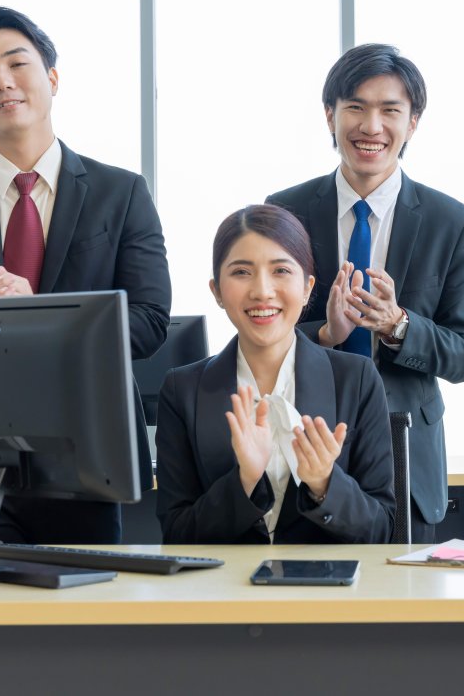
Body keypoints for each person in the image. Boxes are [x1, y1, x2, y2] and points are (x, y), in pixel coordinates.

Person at [0, 5, 171, 545]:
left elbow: (150, 322)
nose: (2, 82)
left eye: (17, 64)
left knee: (83, 622)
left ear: (52, 79)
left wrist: (35, 310)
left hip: (88, 453)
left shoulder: (122, 192)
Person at [267, 44, 464, 542]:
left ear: (413, 122)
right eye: (356, 108)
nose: (372, 126)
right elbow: (266, 334)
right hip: (307, 446)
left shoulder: (452, 222)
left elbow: (463, 355)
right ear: (330, 116)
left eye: (390, 111)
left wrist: (398, 325)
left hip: (405, 451)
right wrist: (324, 331)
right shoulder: (286, 212)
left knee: (409, 613)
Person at [155, 205, 395, 544]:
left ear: (308, 288)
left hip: (327, 591)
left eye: (281, 270)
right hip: (221, 593)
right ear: (217, 291)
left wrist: (325, 483)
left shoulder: (355, 379)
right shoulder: (183, 390)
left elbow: (381, 530)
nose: (262, 291)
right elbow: (176, 535)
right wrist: (244, 481)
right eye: (241, 272)